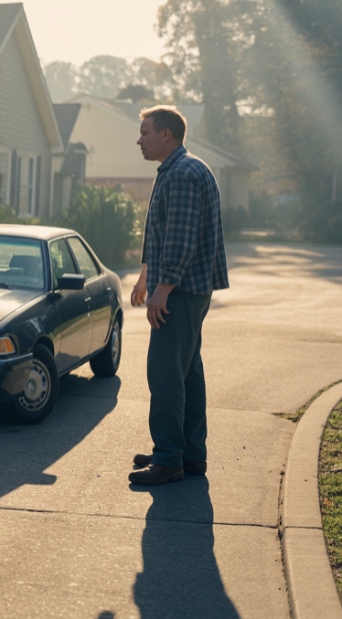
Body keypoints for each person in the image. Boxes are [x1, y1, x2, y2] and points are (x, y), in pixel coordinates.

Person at [128, 106, 229, 485]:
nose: (139, 139)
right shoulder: (178, 170)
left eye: (145, 132)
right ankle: (189, 453)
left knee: (166, 372)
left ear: (165, 134)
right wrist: (145, 277)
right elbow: (162, 232)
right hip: (185, 289)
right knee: (187, 371)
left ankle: (169, 458)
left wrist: (162, 289)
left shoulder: (183, 174)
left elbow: (181, 242)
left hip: (181, 291)